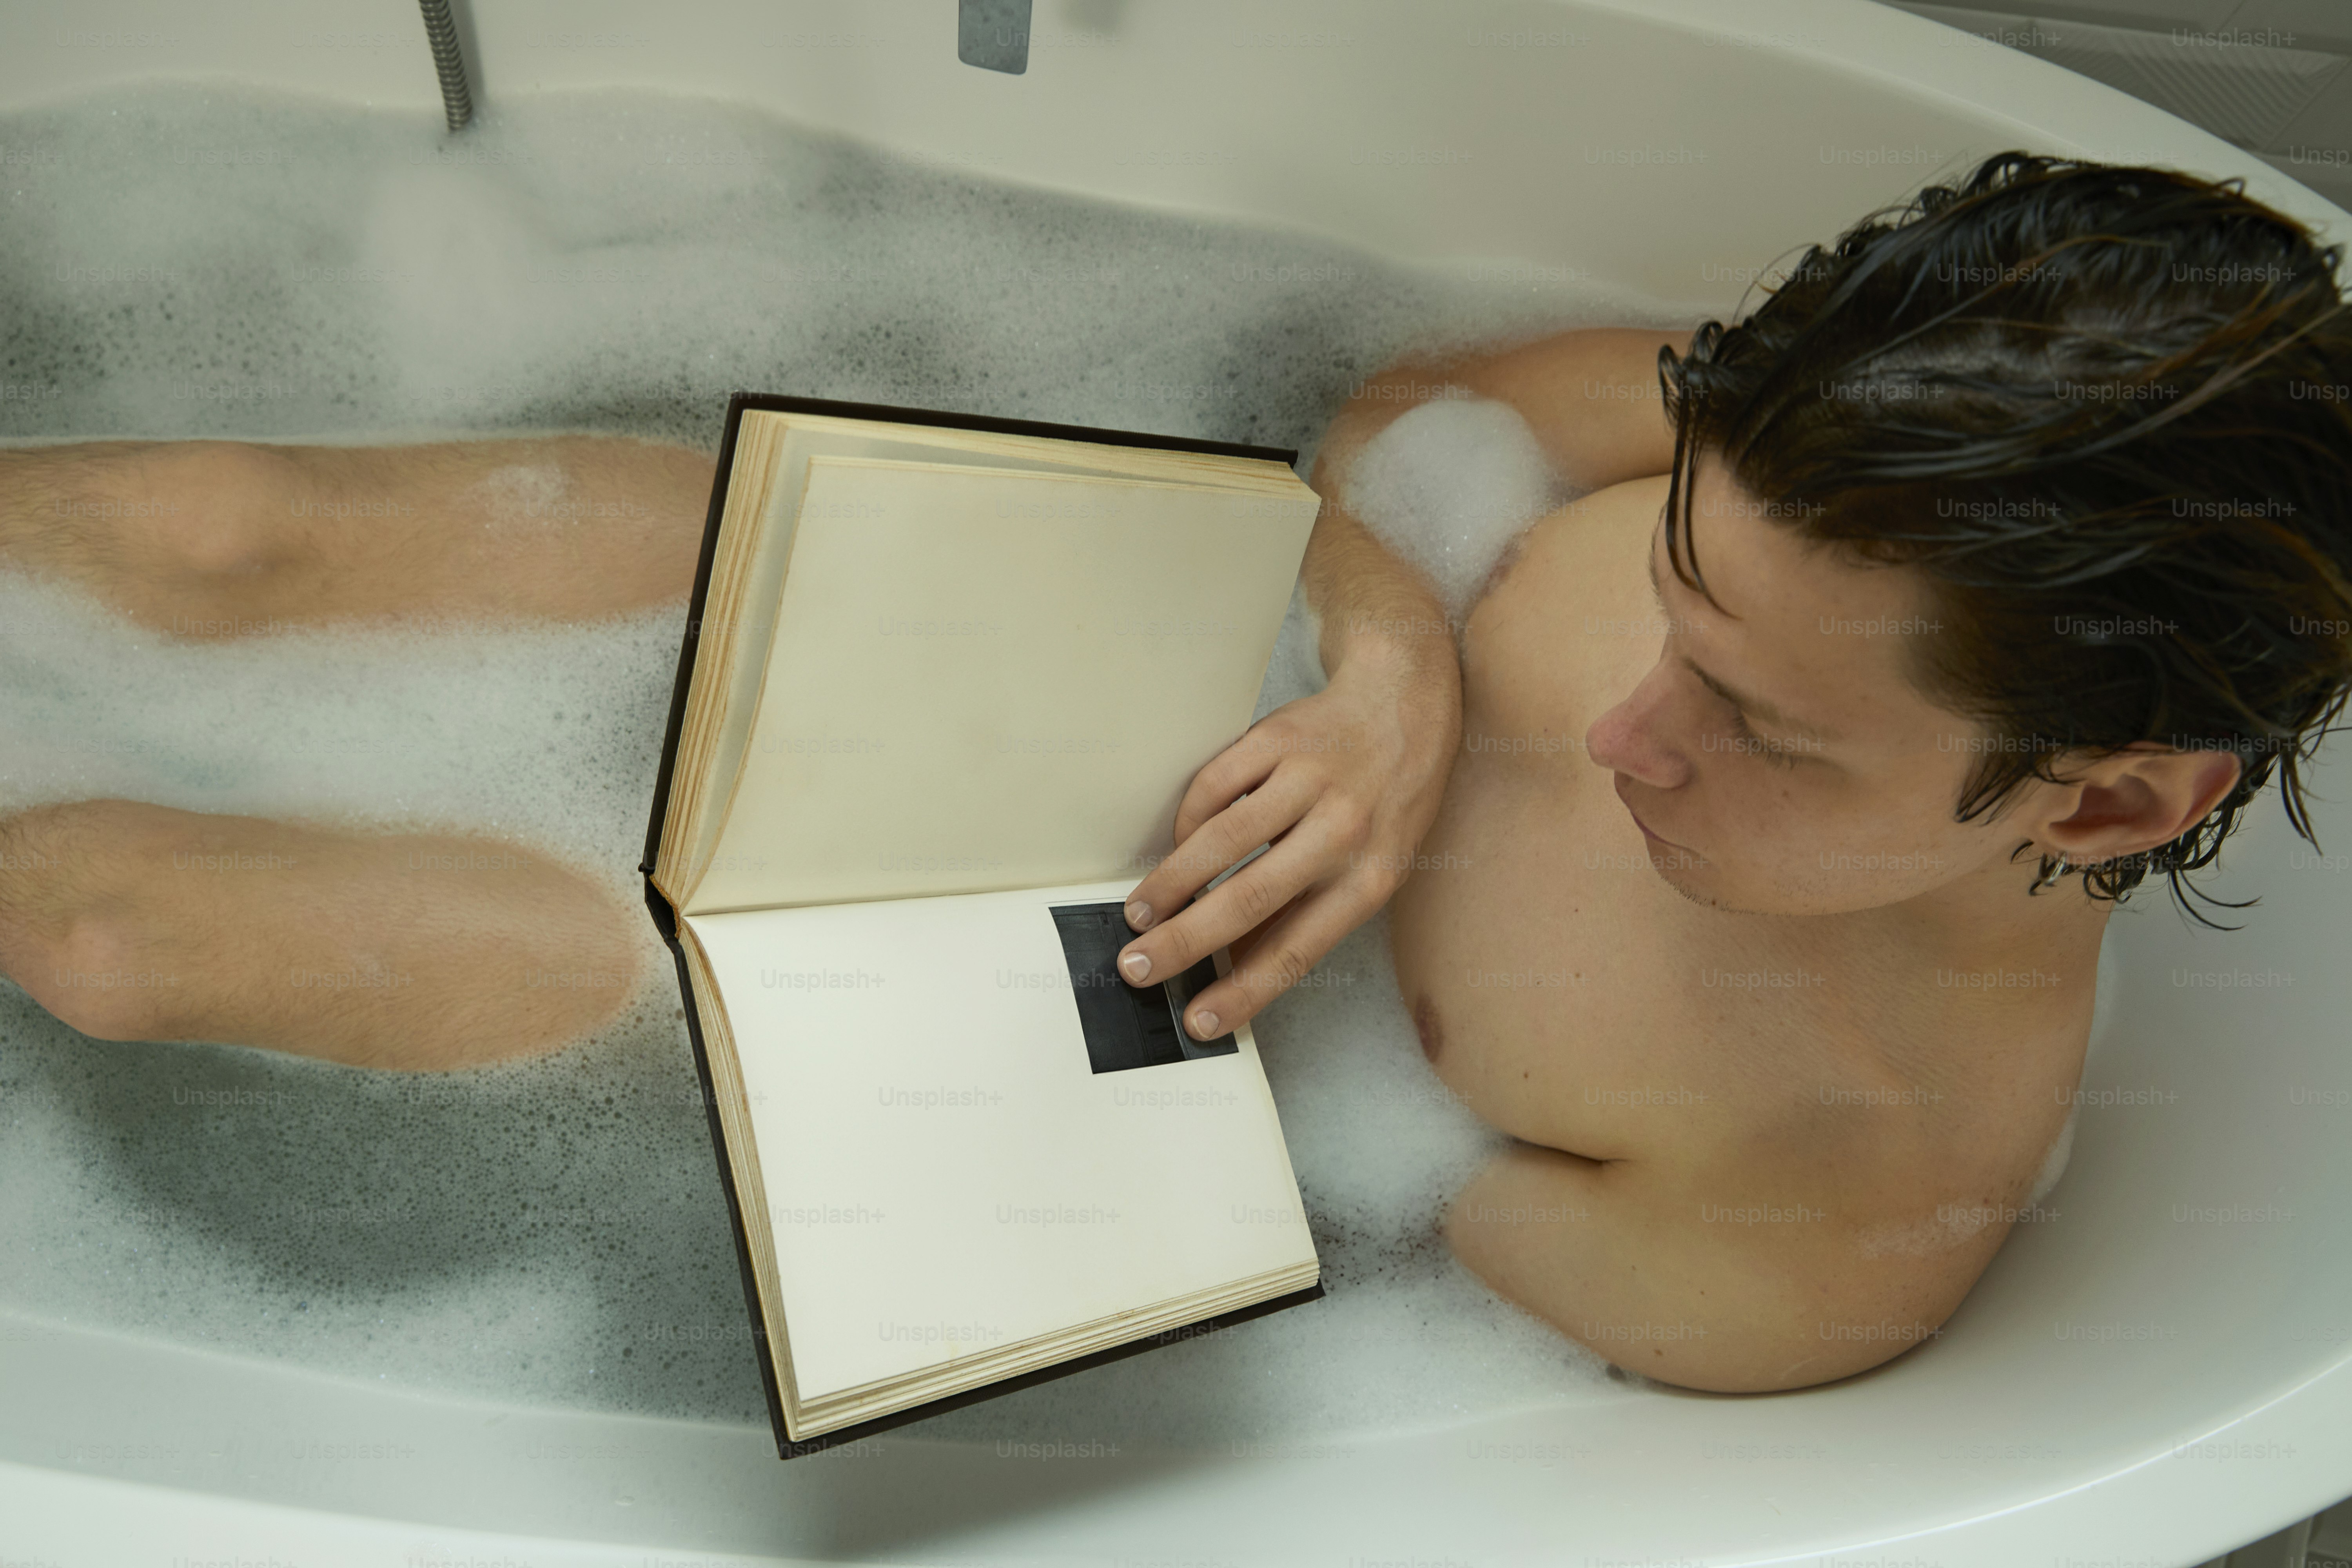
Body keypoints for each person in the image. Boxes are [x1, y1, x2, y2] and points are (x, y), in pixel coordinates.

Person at [4, 152, 2345, 1393]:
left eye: (1756, 729)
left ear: (2107, 802)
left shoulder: (1806, 1229)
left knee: (123, 938)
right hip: (1117, 595)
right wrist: (1394, 675)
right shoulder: (1859, 449)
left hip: (1039, 1008)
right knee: (212, 535)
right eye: (1670, 590)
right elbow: (1418, 424)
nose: (1630, 717)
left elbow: (1303, 1264)